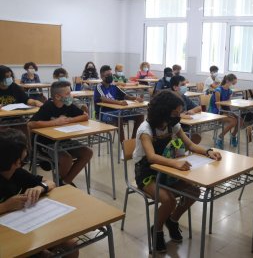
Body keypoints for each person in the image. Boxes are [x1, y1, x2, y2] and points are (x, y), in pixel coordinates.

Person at [133, 90, 221, 253]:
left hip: (167, 170)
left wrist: (208, 152)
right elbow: (151, 157)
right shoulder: (145, 129)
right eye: (175, 113)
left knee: (194, 192)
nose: (178, 116)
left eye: (179, 112)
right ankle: (157, 229)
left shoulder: (172, 125)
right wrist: (174, 163)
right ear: (163, 112)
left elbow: (190, 145)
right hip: (146, 173)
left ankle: (172, 220)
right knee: (169, 200)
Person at [0, 129, 79, 258]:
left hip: (25, 226)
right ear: (16, 161)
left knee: (72, 246)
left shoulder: (17, 172)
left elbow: (50, 182)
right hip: (7, 238)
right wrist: (6, 206)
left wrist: (39, 188)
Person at [28, 81, 93, 186]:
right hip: (46, 143)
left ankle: (64, 182)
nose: (70, 96)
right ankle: (59, 184)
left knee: (87, 152)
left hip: (63, 141)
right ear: (58, 97)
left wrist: (69, 120)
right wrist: (55, 122)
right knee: (66, 158)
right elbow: (31, 124)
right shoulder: (48, 106)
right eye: (67, 94)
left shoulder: (68, 105)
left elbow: (85, 116)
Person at [94, 65, 145, 142]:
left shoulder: (113, 86)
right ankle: (124, 145)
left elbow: (124, 95)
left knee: (140, 116)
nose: (110, 77)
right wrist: (119, 102)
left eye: (111, 74)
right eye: (108, 75)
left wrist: (136, 98)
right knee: (119, 117)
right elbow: (103, 98)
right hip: (104, 113)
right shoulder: (99, 87)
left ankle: (132, 142)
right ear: (102, 76)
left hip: (117, 111)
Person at [208, 74, 239, 149]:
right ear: (227, 81)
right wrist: (226, 113)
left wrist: (229, 112)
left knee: (240, 119)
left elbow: (227, 104)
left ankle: (233, 135)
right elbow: (218, 105)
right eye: (232, 83)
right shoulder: (218, 91)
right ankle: (220, 137)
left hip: (223, 110)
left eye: (234, 84)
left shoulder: (229, 91)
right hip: (215, 112)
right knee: (233, 121)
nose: (233, 85)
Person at [170, 75, 202, 144]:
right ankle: (178, 150)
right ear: (175, 87)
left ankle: (183, 151)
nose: (185, 87)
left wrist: (192, 110)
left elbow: (199, 107)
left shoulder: (183, 97)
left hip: (185, 126)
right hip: (173, 128)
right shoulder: (169, 98)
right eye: (182, 85)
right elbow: (167, 114)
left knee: (197, 137)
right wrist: (181, 115)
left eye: (185, 84)